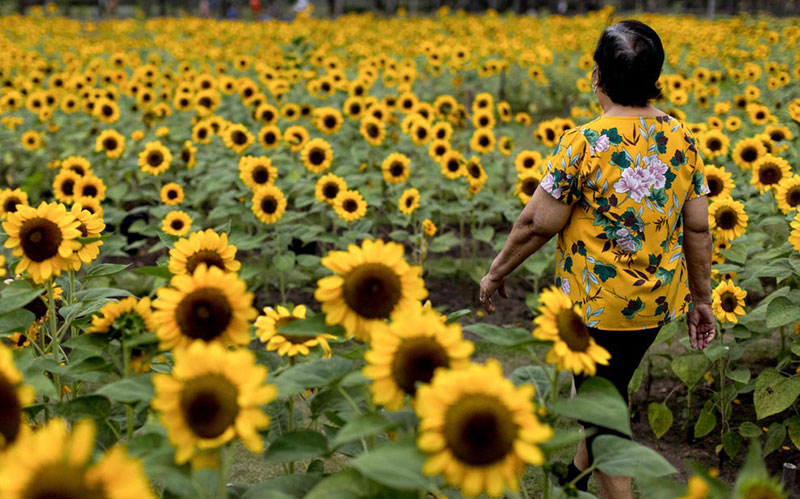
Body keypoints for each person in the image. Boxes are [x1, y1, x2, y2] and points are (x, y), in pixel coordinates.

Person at [479, 20, 716, 499]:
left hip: (596, 310)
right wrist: (702, 299)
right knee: (602, 389)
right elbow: (698, 227)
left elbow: (535, 224)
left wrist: (495, 271)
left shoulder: (583, 144)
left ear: (597, 77)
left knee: (600, 413)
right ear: (656, 76)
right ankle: (576, 477)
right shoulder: (682, 138)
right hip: (652, 306)